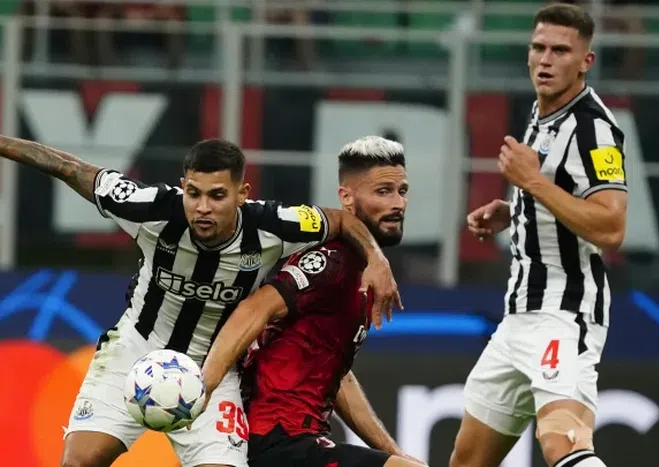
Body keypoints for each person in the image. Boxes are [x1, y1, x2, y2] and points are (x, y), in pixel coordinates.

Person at [0, 136, 401, 467]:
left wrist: (376, 259)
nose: (202, 208)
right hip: (136, 352)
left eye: (217, 196)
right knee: (80, 461)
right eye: (193, 193)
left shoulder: (275, 225)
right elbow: (67, 167)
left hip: (216, 370)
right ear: (183, 186)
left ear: (242, 194)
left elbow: (342, 220)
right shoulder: (150, 207)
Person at [450, 4, 627, 467]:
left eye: (560, 51)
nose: (545, 60)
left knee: (563, 443)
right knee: (467, 460)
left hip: (565, 313)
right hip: (518, 316)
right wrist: (516, 212)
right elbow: (565, 197)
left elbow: (611, 227)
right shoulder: (543, 111)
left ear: (586, 61)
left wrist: (532, 183)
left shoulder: (592, 129)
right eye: (538, 47)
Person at [200, 136, 427, 467]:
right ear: (346, 197)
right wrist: (204, 385)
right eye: (383, 192)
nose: (398, 203)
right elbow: (255, 308)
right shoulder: (332, 261)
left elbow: (337, 375)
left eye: (402, 191)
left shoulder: (361, 268)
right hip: (277, 442)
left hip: (297, 443)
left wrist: (394, 452)